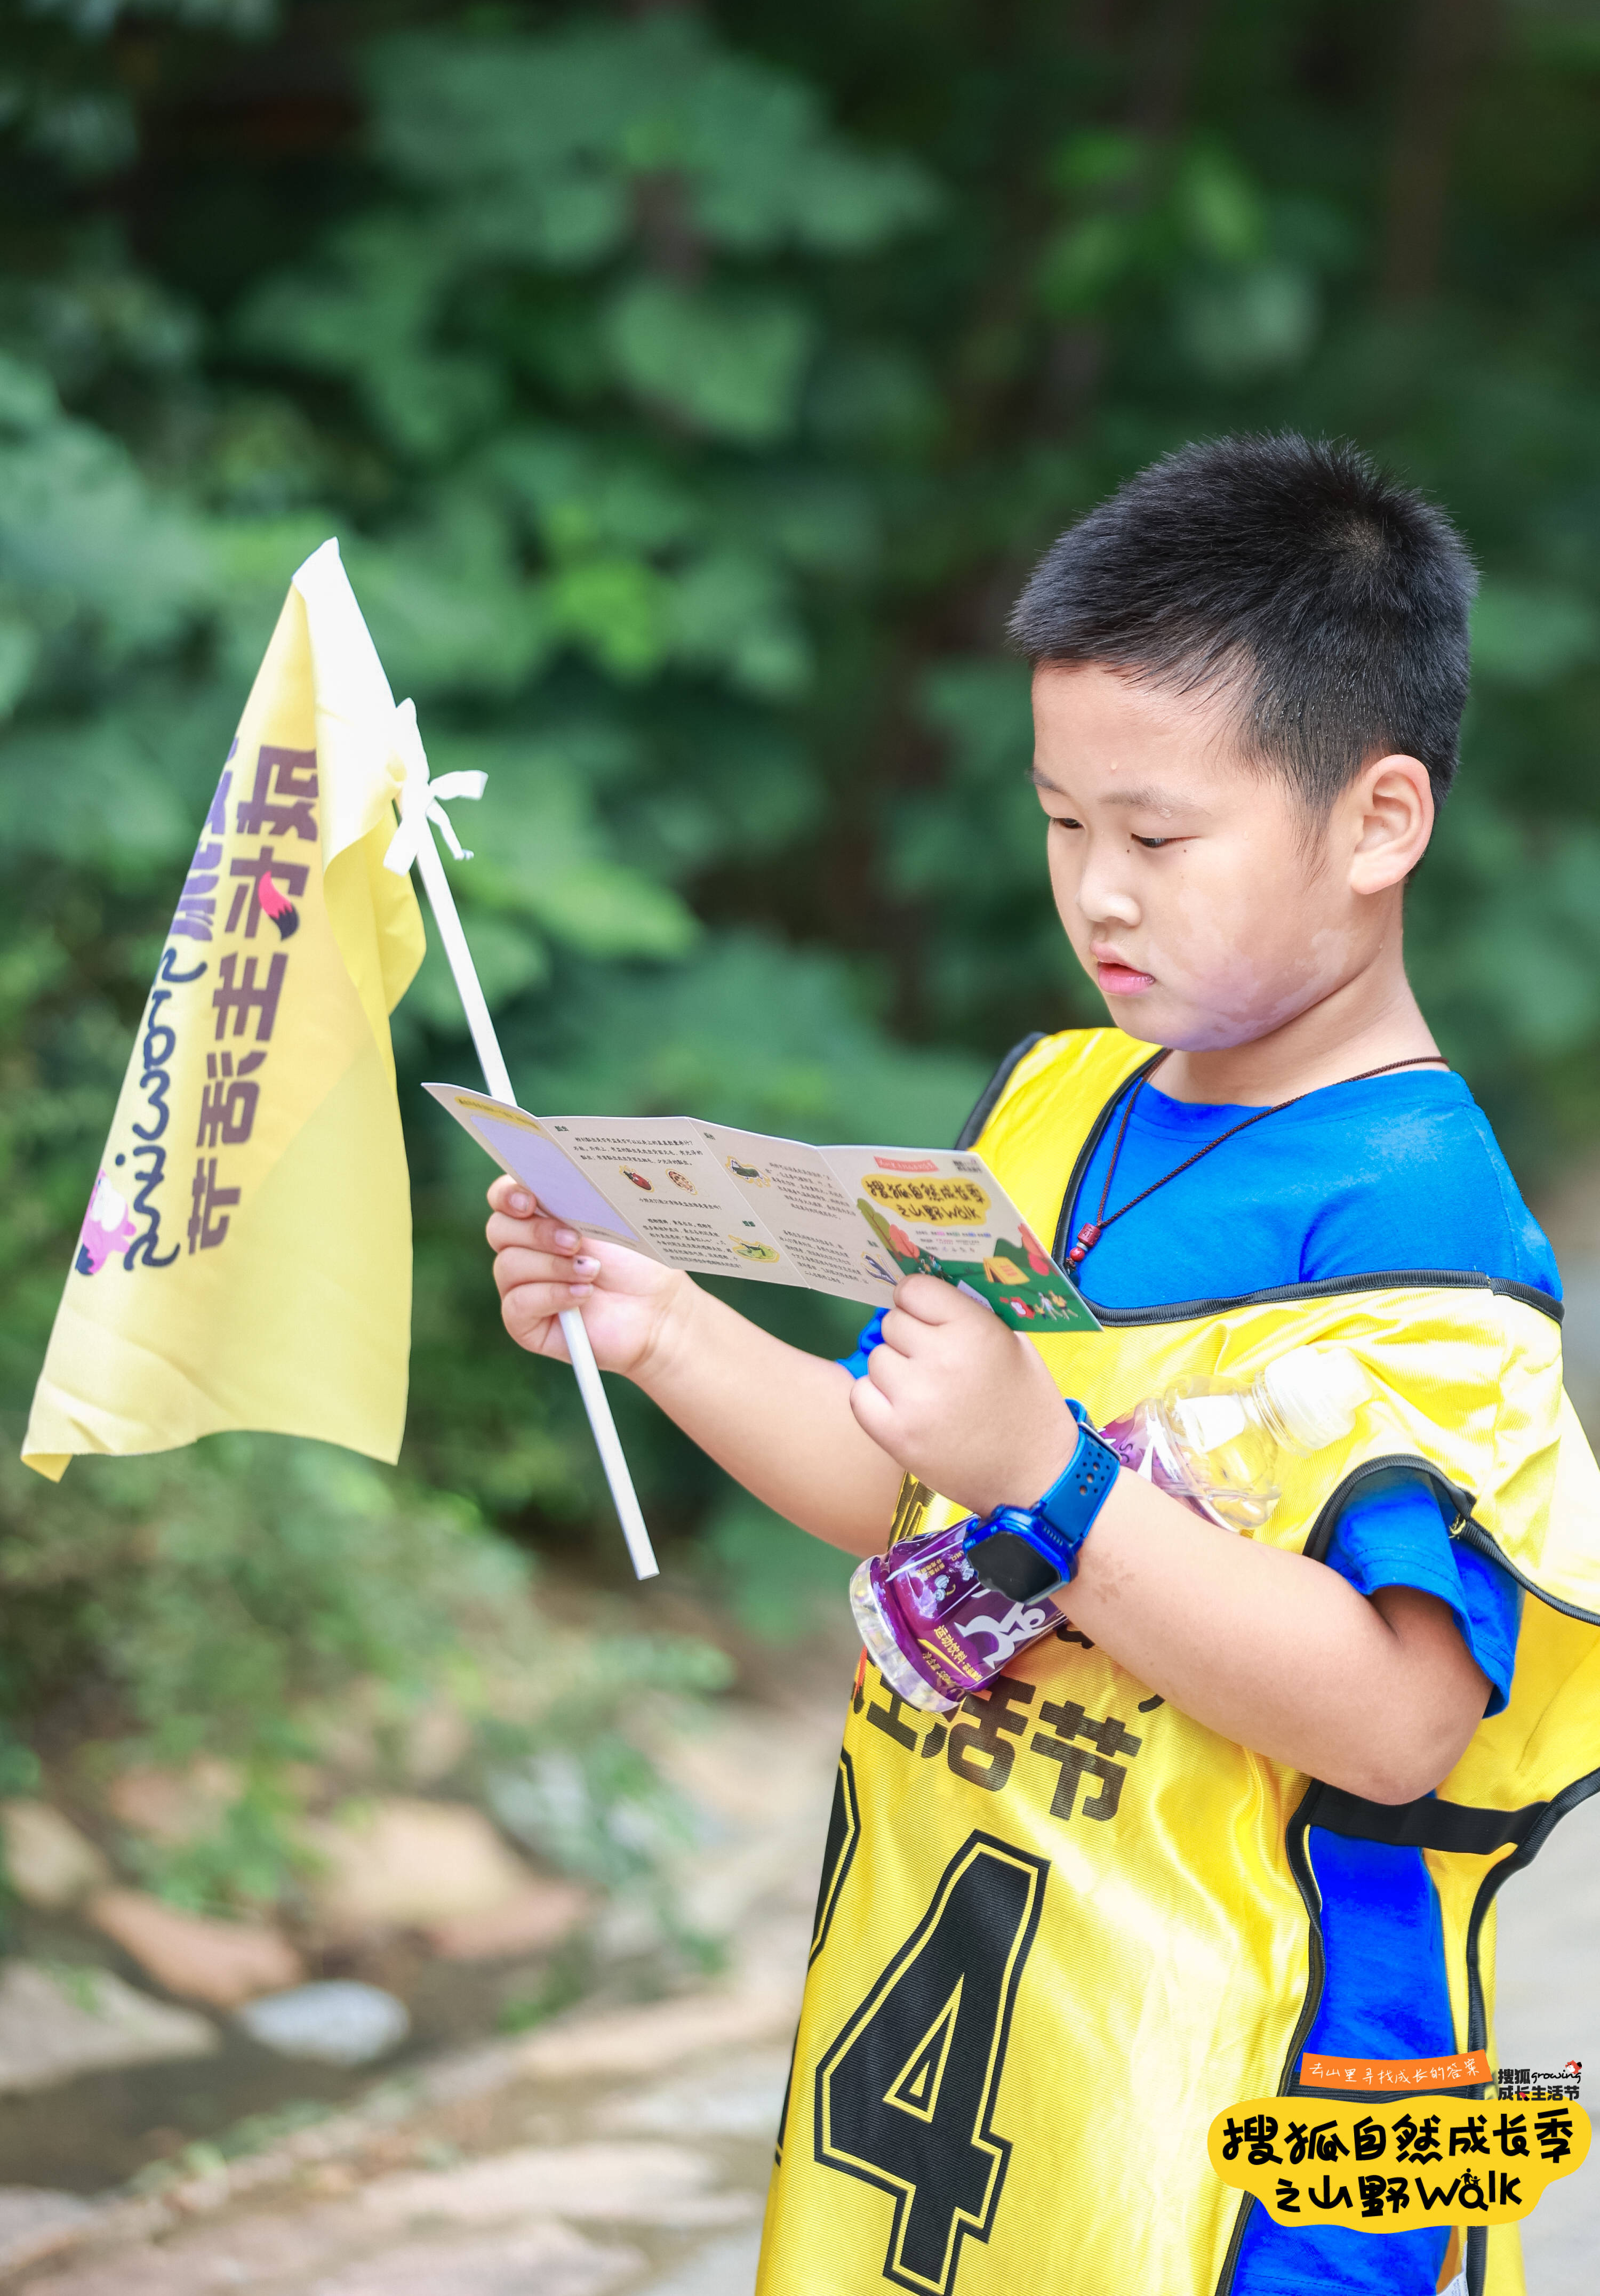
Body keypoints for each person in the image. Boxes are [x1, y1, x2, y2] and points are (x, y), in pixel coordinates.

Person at [484, 434, 1600, 2296]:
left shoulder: (1428, 1230)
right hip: (997, 2055)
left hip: (1291, 2136)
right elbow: (897, 1469)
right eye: (1061, 820)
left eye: (1159, 835)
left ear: (1379, 820)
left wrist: (1057, 1482)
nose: (1098, 890)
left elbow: (1407, 1717)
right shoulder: (1053, 1100)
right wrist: (658, 1320)